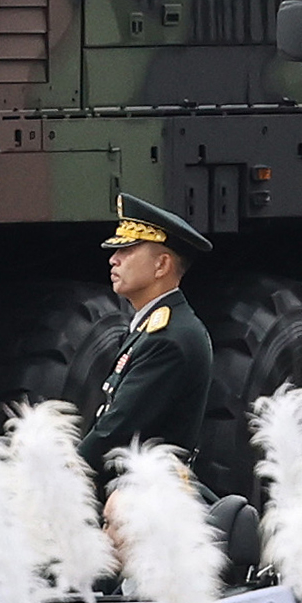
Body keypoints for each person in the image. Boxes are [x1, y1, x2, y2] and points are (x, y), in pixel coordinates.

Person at [79, 194, 218, 469]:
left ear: (161, 265)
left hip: (146, 496)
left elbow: (116, 430)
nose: (113, 260)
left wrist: (66, 471)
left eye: (127, 250)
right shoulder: (153, 327)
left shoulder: (169, 338)